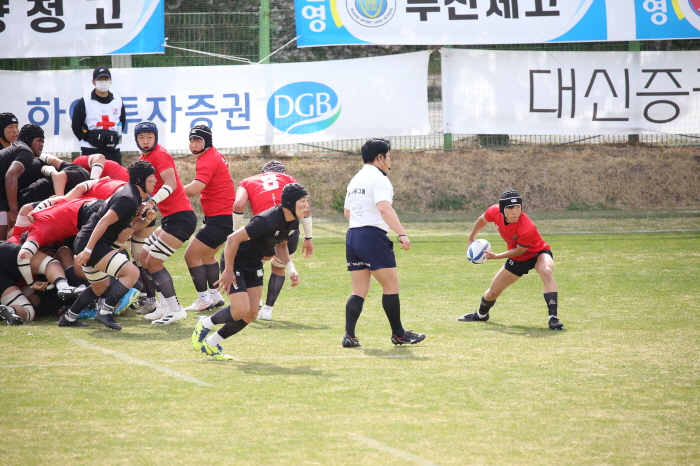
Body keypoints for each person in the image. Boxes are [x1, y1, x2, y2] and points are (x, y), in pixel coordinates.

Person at [191, 183, 309, 360]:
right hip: (236, 262)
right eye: (303, 201)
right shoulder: (267, 219)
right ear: (290, 203)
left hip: (254, 264)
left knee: (252, 313)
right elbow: (232, 239)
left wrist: (291, 267)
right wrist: (228, 270)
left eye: (307, 201)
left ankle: (212, 343)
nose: (307, 206)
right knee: (240, 310)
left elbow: (281, 244)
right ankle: (205, 322)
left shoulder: (292, 221)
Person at [342, 138, 425, 348]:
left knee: (358, 291)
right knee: (391, 286)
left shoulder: (355, 180)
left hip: (353, 236)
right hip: (372, 237)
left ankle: (349, 335)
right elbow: (384, 209)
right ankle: (399, 334)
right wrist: (402, 234)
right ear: (380, 157)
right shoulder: (380, 179)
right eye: (389, 156)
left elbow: (347, 213)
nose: (390, 160)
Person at [58, 161, 157, 330]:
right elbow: (103, 221)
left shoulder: (133, 195)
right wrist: (88, 250)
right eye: (151, 178)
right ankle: (105, 312)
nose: (155, 180)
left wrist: (147, 219)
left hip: (91, 242)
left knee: (99, 287)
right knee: (132, 273)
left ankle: (69, 317)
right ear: (140, 180)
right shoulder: (129, 198)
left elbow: (133, 226)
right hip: (92, 243)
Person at [458, 190, 564, 330]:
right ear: (502, 209)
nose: (515, 212)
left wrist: (496, 256)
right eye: (510, 208)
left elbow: (520, 250)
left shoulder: (527, 227)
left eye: (518, 207)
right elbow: (482, 219)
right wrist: (471, 238)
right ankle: (481, 315)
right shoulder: (494, 211)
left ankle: (553, 318)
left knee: (546, 271)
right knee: (492, 293)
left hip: (538, 252)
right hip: (518, 259)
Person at [234, 160, 314, 320]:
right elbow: (305, 207)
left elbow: (238, 204)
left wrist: (235, 231)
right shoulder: (288, 179)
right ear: (283, 173)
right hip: (288, 229)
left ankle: (254, 300)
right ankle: (268, 310)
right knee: (278, 268)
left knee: (254, 263)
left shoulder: (247, 181)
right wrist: (308, 237)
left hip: (262, 230)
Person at [135, 121, 196, 325]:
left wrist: (151, 201)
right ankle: (163, 307)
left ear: (155, 138)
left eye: (149, 137)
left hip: (182, 218)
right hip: (170, 218)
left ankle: (176, 309)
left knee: (154, 262)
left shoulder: (160, 154)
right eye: (141, 137)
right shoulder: (143, 158)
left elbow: (171, 183)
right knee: (144, 257)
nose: (145, 141)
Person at [182, 125, 233, 312]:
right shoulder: (214, 154)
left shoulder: (207, 160)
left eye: (198, 141)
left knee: (190, 256)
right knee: (207, 256)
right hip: (223, 216)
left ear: (207, 142)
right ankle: (215, 297)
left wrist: (169, 192)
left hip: (220, 217)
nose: (194, 145)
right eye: (191, 141)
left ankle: (203, 300)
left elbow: (194, 189)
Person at [0, 240, 79, 325]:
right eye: (45, 250)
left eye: (53, 250)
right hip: (11, 253)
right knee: (50, 263)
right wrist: (31, 283)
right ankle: (63, 287)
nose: (50, 253)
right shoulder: (22, 243)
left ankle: (10, 310)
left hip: (6, 274)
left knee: (29, 311)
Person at [71, 66, 126, 165]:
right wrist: (87, 139)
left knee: (116, 175)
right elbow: (76, 125)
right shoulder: (84, 101)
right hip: (90, 150)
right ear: (93, 81)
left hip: (113, 150)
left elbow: (122, 122)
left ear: (111, 81)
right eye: (100, 79)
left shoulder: (118, 101)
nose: (103, 82)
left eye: (106, 79)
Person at [0, 124, 43, 238]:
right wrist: (14, 211)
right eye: (38, 140)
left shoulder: (16, 148)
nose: (42, 144)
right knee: (2, 241)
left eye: (43, 141)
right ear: (29, 139)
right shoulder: (26, 151)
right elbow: (11, 176)